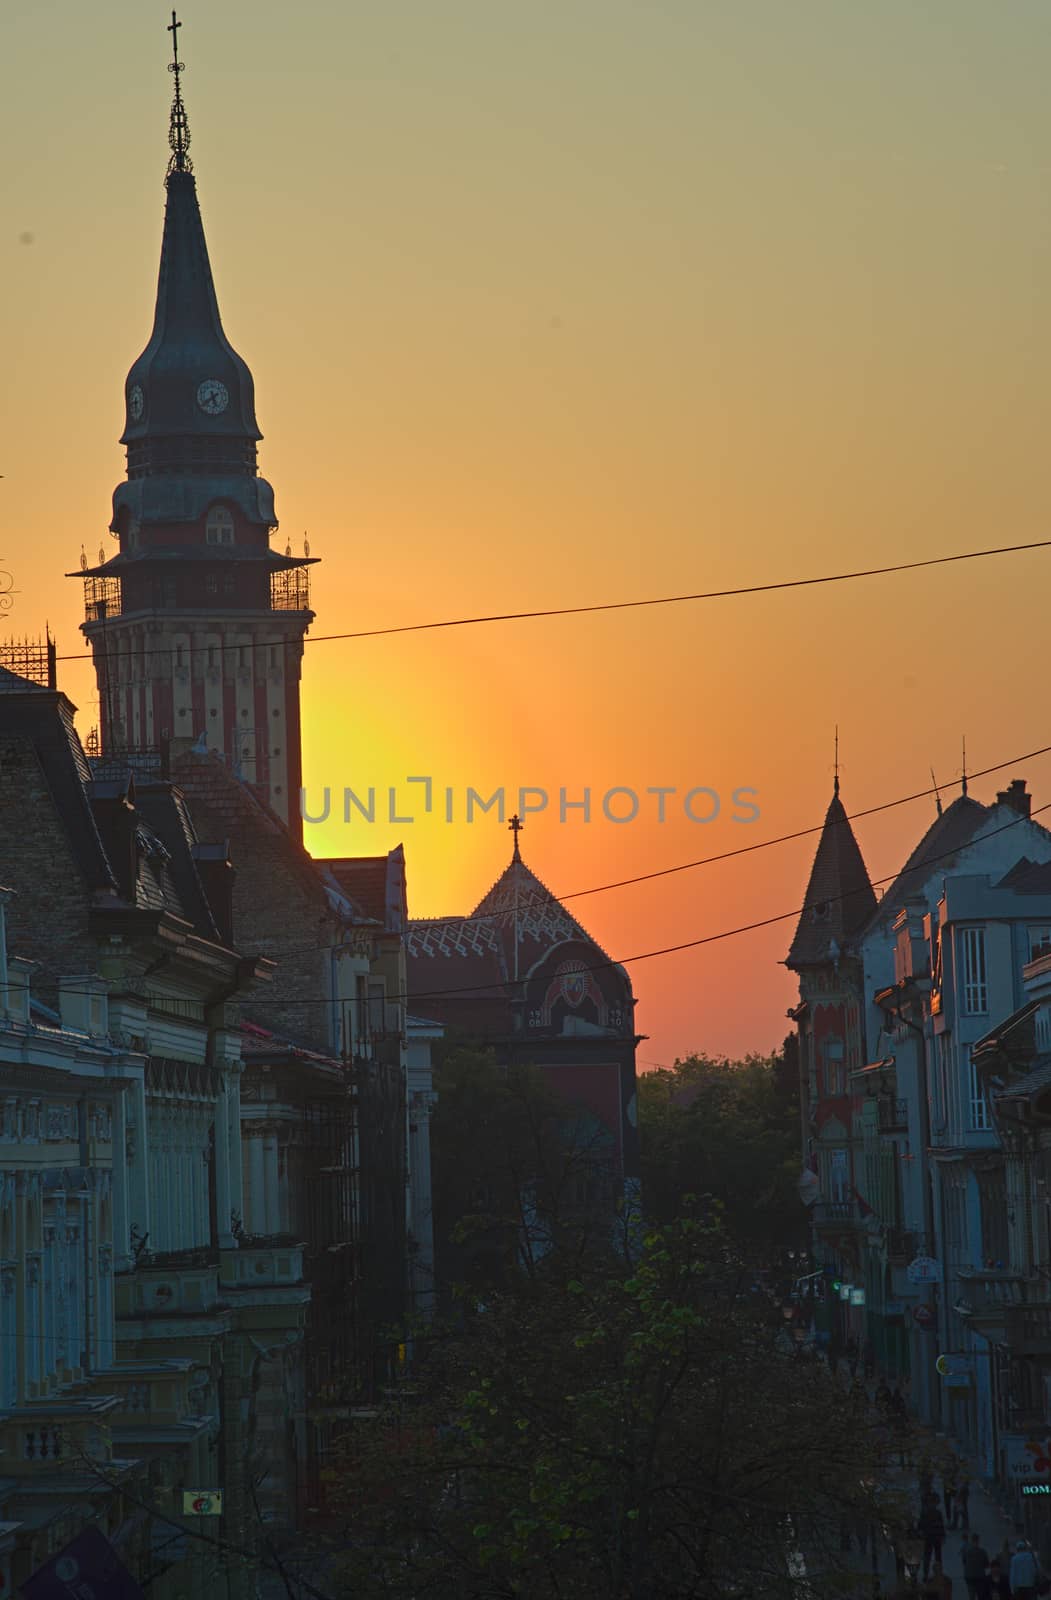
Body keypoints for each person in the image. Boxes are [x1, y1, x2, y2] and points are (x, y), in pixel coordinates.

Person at [920, 1496, 947, 1582]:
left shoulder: (925, 1513)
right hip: (935, 1537)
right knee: (937, 1557)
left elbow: (920, 1526)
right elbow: (941, 1526)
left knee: (928, 1557)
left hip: (929, 1537)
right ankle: (937, 1574)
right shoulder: (937, 1513)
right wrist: (942, 1536)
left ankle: (926, 1574)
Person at [961, 1532, 990, 1600]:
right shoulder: (982, 1552)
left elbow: (964, 1562)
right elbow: (986, 1565)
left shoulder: (966, 1551)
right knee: (980, 1595)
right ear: (978, 1541)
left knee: (971, 1595)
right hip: (980, 1576)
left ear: (971, 1540)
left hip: (969, 1576)